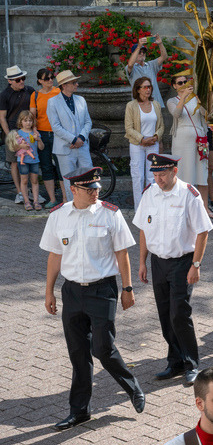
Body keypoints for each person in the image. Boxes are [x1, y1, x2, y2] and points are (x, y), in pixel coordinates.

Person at [39, 166, 145, 430]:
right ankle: (80, 411)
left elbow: (122, 253)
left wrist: (128, 288)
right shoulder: (59, 216)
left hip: (102, 290)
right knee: (78, 354)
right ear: (73, 190)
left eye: (97, 187)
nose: (96, 192)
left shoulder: (110, 213)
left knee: (102, 348)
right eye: (89, 189)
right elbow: (55, 255)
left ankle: (132, 387)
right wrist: (49, 290)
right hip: (72, 291)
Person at [134, 153, 213, 386]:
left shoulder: (189, 195)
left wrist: (196, 265)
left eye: (163, 174)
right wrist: (142, 262)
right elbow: (143, 229)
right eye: (155, 174)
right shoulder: (150, 193)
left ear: (174, 171)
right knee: (165, 314)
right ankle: (175, 361)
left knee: (180, 313)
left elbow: (203, 231)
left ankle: (191, 363)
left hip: (182, 262)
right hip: (158, 262)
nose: (159, 179)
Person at [166, 69, 213, 218]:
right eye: (180, 83)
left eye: (185, 82)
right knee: (184, 173)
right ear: (174, 86)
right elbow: (177, 114)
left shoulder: (195, 98)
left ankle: (205, 208)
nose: (183, 85)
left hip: (200, 140)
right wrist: (184, 97)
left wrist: (200, 101)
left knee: (203, 173)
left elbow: (205, 115)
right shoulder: (172, 101)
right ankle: (184, 208)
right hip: (182, 142)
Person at [46, 70, 93, 200]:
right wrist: (73, 140)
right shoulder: (53, 102)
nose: (77, 84)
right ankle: (73, 210)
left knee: (88, 178)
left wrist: (81, 138)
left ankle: (89, 205)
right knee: (69, 182)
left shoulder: (81, 100)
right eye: (74, 82)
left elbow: (88, 121)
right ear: (64, 85)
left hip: (82, 146)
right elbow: (55, 126)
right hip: (64, 149)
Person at [124, 76, 164, 208]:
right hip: (137, 144)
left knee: (153, 177)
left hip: (153, 144)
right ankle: (139, 209)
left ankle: (151, 207)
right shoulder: (131, 105)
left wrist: (156, 137)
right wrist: (142, 139)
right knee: (138, 177)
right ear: (138, 89)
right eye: (145, 87)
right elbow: (128, 128)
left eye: (149, 87)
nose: (148, 89)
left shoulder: (156, 105)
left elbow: (161, 126)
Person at [3, 65, 36, 203]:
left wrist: (34, 129)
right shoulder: (4, 95)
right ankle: (20, 192)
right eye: (18, 80)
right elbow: (1, 117)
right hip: (13, 131)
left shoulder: (30, 90)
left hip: (29, 129)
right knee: (15, 163)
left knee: (31, 159)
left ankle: (32, 191)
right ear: (10, 81)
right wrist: (10, 136)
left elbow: (34, 111)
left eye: (23, 78)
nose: (22, 81)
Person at [29, 67, 61, 207]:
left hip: (58, 134)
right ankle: (52, 199)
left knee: (61, 166)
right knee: (46, 167)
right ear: (40, 81)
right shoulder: (35, 95)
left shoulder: (58, 92)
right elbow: (33, 116)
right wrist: (35, 132)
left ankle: (66, 198)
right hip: (42, 134)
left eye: (51, 77)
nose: (50, 80)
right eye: (47, 78)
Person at [7, 110, 43, 209]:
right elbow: (13, 148)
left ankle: (36, 201)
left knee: (35, 181)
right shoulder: (18, 133)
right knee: (24, 180)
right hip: (23, 161)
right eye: (25, 120)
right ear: (21, 121)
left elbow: (41, 147)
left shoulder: (35, 133)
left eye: (30, 121)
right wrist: (20, 146)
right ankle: (26, 201)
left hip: (34, 160)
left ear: (33, 122)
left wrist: (39, 140)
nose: (28, 123)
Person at [123, 35, 168, 108]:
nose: (142, 54)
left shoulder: (151, 65)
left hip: (155, 104)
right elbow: (130, 64)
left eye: (143, 52)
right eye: (139, 52)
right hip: (140, 106)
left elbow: (164, 57)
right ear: (133, 54)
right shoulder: (132, 67)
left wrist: (160, 43)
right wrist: (138, 46)